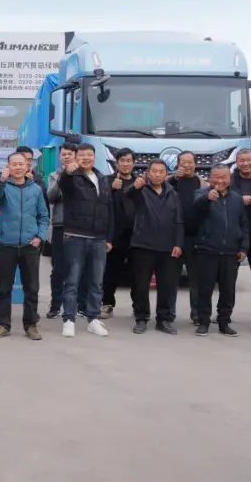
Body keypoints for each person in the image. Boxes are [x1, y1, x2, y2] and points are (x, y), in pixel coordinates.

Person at [0, 151, 49, 340]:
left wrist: (39, 236)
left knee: (31, 288)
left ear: (27, 166)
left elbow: (43, 216)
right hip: (7, 245)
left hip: (30, 246)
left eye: (21, 164)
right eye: (13, 164)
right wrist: (1, 179)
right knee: (4, 288)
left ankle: (31, 325)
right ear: (8, 166)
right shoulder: (3, 186)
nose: (17, 167)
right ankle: (3, 325)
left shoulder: (36, 190)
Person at [58, 143, 114, 338]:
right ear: (76, 157)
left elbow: (109, 209)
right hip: (76, 236)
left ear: (94, 157)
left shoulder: (102, 178)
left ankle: (93, 319)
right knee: (72, 281)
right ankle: (69, 319)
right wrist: (67, 173)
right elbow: (63, 186)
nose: (86, 158)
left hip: (99, 239)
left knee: (97, 282)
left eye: (89, 155)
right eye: (82, 155)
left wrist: (109, 237)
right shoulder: (72, 177)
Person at [125, 159, 184, 335]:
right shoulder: (141, 190)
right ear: (148, 173)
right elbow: (128, 195)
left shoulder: (172, 193)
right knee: (141, 285)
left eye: (161, 171)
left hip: (167, 247)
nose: (157, 174)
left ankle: (163, 319)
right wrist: (134, 187)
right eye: (154, 171)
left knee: (167, 285)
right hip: (143, 245)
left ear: (166, 174)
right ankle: (141, 318)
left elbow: (179, 220)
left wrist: (178, 243)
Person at [192, 164, 249, 337]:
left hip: (231, 252)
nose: (220, 181)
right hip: (207, 250)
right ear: (210, 178)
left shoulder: (237, 199)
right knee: (205, 289)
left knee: (228, 290)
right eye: (216, 177)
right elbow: (196, 206)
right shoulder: (201, 194)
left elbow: (244, 225)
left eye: (224, 177)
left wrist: (244, 247)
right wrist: (208, 198)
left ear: (229, 179)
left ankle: (224, 322)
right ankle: (203, 322)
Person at [167, 151, 204, 325]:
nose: (187, 166)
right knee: (171, 278)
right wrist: (174, 178)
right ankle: (168, 314)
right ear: (177, 164)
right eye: (183, 163)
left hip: (195, 237)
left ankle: (196, 313)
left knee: (196, 279)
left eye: (190, 162)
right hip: (174, 238)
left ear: (196, 164)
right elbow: (162, 189)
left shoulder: (202, 183)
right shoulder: (171, 181)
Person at [103, 147, 137, 318]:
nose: (125, 164)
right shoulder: (107, 181)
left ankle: (138, 306)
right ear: (116, 163)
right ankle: (107, 303)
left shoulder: (139, 182)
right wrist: (110, 189)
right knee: (110, 272)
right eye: (122, 161)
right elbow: (99, 202)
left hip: (136, 236)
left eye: (128, 161)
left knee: (137, 273)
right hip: (114, 235)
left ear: (133, 163)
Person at [46, 142, 78, 319]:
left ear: (76, 155)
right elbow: (51, 196)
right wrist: (64, 176)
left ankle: (77, 305)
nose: (66, 157)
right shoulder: (54, 175)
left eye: (70, 154)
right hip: (60, 225)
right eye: (64, 154)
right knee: (58, 268)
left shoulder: (84, 174)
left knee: (78, 267)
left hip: (80, 226)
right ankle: (55, 305)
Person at [232, 148, 251, 315]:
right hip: (235, 234)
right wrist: (239, 200)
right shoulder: (229, 180)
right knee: (229, 278)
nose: (245, 163)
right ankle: (224, 314)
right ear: (237, 163)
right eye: (241, 160)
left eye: (248, 160)